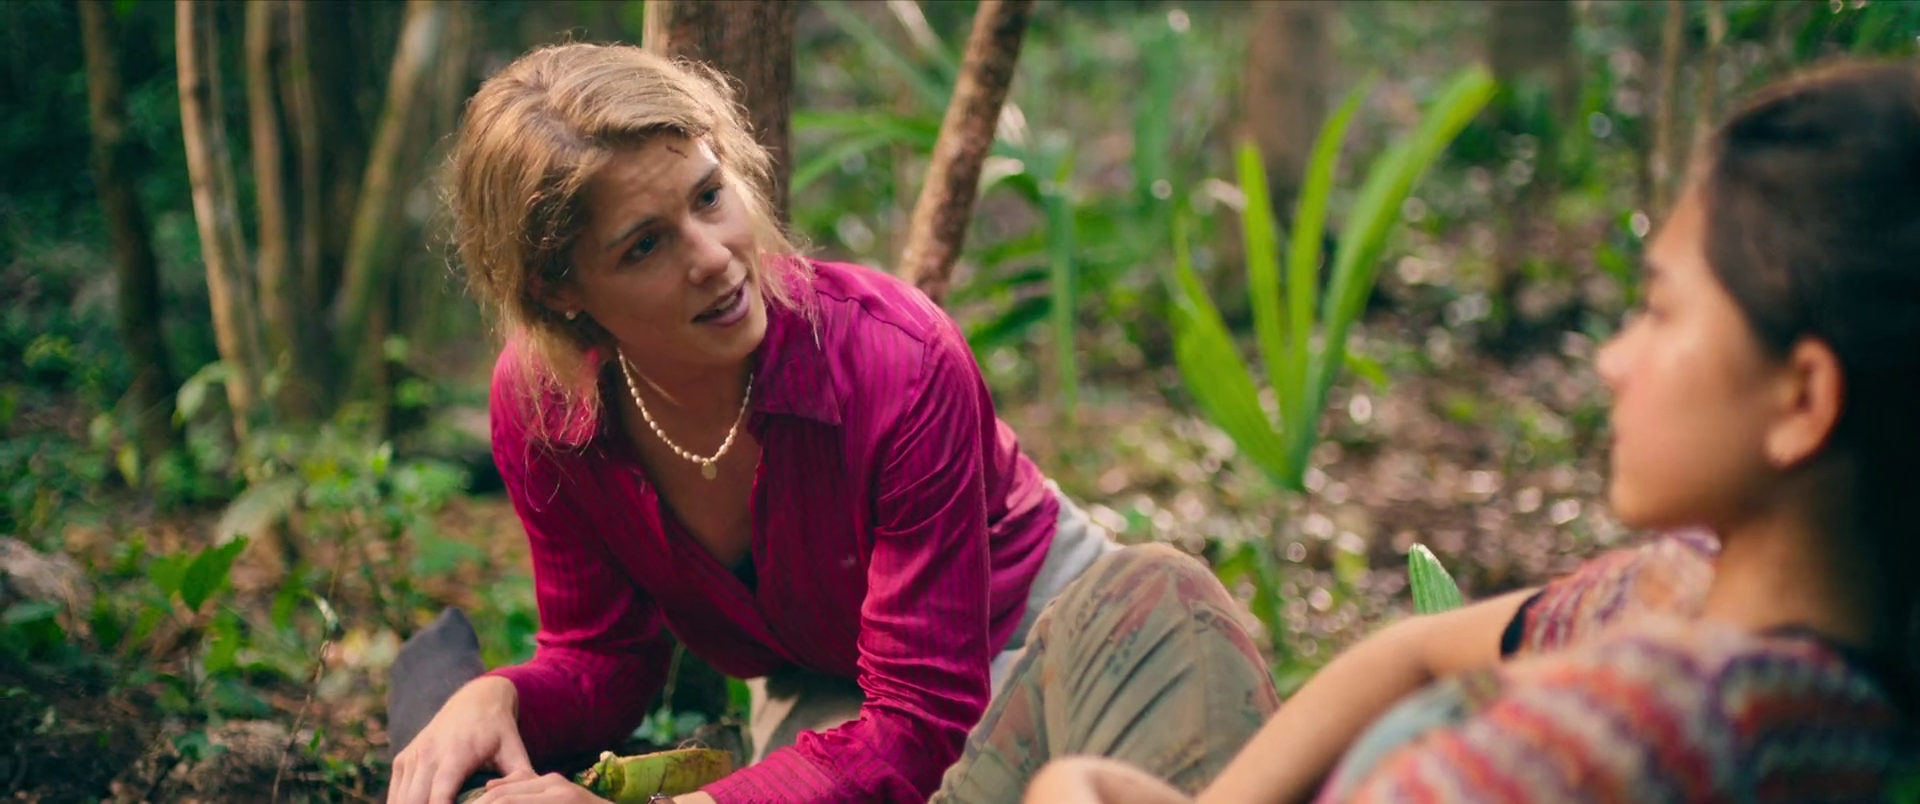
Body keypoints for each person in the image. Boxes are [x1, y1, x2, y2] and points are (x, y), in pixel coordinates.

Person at [383, 42, 1279, 804]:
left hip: (1052, 637)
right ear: (560, 289)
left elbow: (921, 721)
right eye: (645, 245)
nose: (713, 257)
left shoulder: (894, 358)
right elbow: (605, 655)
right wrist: (496, 699)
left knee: (1161, 630)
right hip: (839, 698)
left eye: (708, 196)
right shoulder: (548, 410)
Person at [1014, 59, 1920, 804]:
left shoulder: (1600, 749)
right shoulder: (1722, 617)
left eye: (1658, 309)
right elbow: (1410, 649)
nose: (1614, 360)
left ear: (1804, 400)